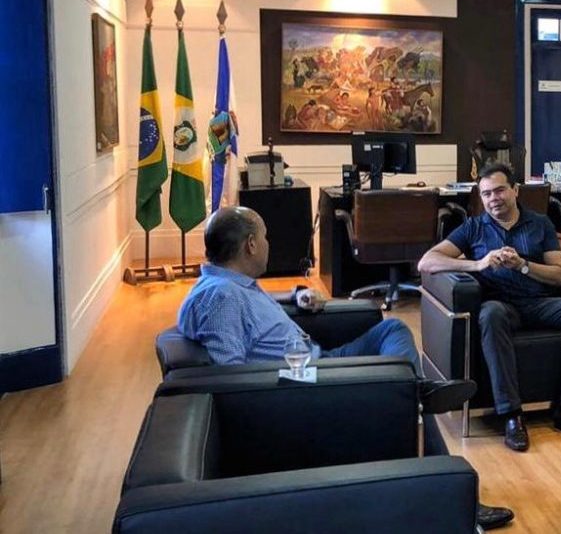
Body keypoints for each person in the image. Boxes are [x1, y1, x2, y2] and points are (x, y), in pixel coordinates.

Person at [178, 206, 514, 530]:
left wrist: (295, 294)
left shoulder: (232, 285)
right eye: (265, 236)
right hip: (306, 382)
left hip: (318, 362)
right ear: (251, 244)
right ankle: (456, 497)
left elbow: (248, 315)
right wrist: (298, 376)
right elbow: (232, 377)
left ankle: (418, 391)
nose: (269, 243)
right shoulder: (220, 299)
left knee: (392, 330)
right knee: (410, 395)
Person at [418, 163, 561, 452]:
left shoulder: (540, 224)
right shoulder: (474, 227)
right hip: (501, 306)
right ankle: (511, 415)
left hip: (540, 303)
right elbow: (427, 262)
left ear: (515, 190)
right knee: (491, 314)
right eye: (486, 194)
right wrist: (477, 264)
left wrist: (523, 265)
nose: (493, 199)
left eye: (499, 191)